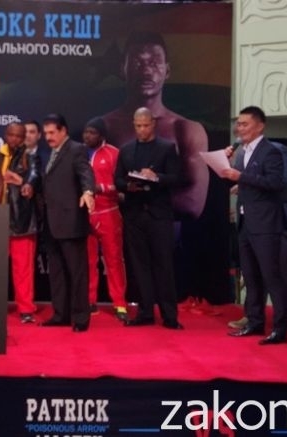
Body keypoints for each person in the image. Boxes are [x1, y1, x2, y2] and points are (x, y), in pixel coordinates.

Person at [101, 31, 208, 220]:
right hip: (117, 231)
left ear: (167, 71)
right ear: (122, 69)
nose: (146, 71)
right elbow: (93, 193)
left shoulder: (186, 129)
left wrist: (133, 198)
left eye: (154, 62)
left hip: (165, 234)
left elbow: (193, 203)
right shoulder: (104, 127)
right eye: (137, 62)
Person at [220, 106, 287, 345]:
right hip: (245, 222)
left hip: (265, 224)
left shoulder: (271, 151)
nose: (239, 128)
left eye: (244, 124)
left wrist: (241, 178)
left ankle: (280, 328)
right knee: (251, 277)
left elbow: (276, 183)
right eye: (238, 124)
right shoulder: (242, 152)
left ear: (260, 126)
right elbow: (249, 182)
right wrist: (232, 171)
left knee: (271, 276)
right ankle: (255, 321)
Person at [115, 107, 183, 330]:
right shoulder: (126, 150)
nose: (142, 130)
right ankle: (145, 313)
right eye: (138, 126)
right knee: (139, 266)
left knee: (164, 265)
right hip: (134, 215)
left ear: (153, 124)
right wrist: (129, 185)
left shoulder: (167, 148)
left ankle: (169, 316)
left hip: (159, 215)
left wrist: (156, 177)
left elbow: (176, 178)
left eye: (145, 125)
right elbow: (117, 180)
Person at [39, 113, 96, 332]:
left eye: (52, 132)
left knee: (77, 272)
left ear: (64, 130)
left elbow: (85, 173)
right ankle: (60, 315)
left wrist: (88, 191)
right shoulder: (50, 153)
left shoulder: (76, 149)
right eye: (46, 133)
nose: (48, 137)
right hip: (51, 223)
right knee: (57, 273)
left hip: (71, 221)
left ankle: (81, 318)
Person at [82, 117, 128, 321]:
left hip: (109, 212)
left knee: (114, 259)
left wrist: (102, 188)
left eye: (92, 133)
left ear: (101, 135)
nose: (87, 136)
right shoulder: (78, 153)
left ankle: (120, 303)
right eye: (86, 132)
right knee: (88, 261)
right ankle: (89, 300)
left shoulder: (114, 154)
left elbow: (123, 185)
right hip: (85, 214)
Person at [0, 122, 41, 323]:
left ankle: (26, 309)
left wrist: (25, 183)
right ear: (5, 135)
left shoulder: (31, 156)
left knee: (23, 268)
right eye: (12, 135)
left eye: (19, 136)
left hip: (21, 219)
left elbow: (35, 175)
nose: (15, 139)